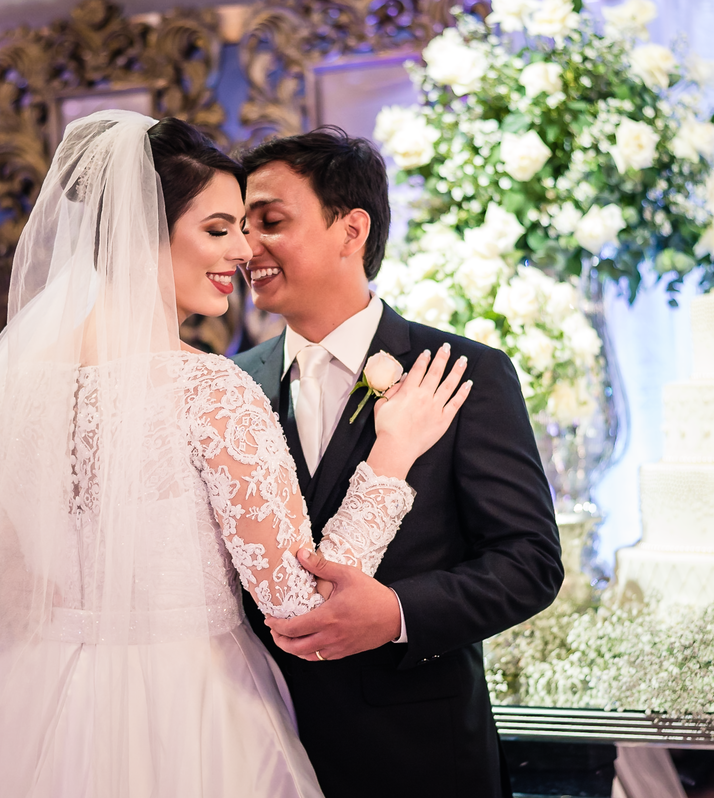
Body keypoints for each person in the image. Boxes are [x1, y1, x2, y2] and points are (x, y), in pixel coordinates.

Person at [0, 111, 471, 798]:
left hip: (36, 718)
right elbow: (301, 609)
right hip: (195, 718)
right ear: (142, 232)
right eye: (217, 228)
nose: (242, 250)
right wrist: (391, 457)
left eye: (245, 226)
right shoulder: (207, 388)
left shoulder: (8, 394)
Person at [233, 127, 564, 798]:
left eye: (269, 221)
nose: (246, 248)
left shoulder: (465, 372)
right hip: (261, 747)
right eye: (237, 228)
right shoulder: (232, 387)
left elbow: (530, 561)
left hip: (421, 758)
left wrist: (397, 612)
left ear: (350, 229)